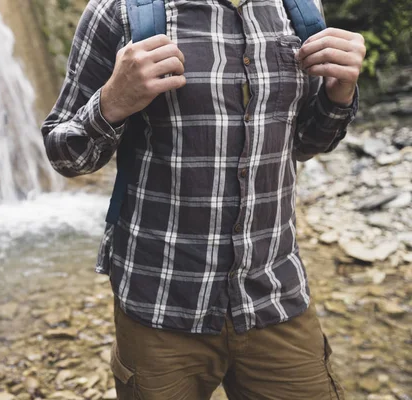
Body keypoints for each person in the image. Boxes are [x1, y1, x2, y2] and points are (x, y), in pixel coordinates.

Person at [41, 0, 365, 398]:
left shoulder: (299, 8)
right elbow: (65, 155)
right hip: (161, 304)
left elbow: (304, 142)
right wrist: (113, 101)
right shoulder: (119, 11)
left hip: (273, 293)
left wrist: (340, 93)